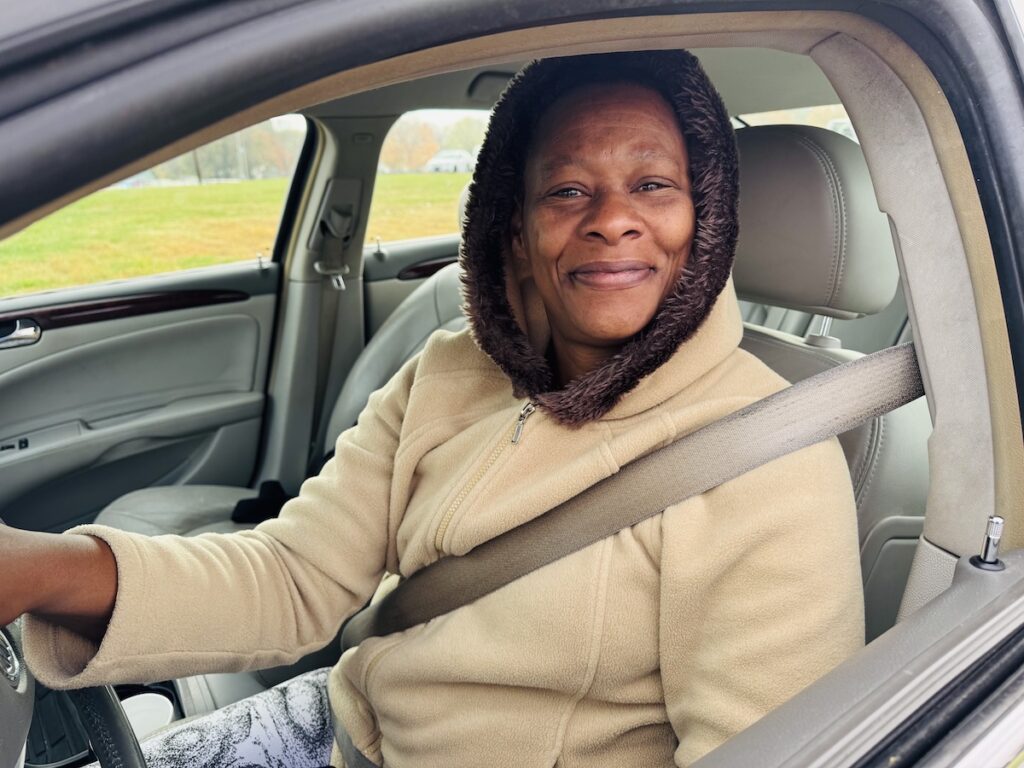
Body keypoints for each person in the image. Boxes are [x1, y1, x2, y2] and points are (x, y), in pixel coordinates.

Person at [1, 50, 864, 767]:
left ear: (706, 217)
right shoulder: (451, 371)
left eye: (653, 185)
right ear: (514, 227)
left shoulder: (767, 461)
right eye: (568, 190)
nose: (611, 221)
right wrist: (38, 569)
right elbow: (293, 578)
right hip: (342, 726)